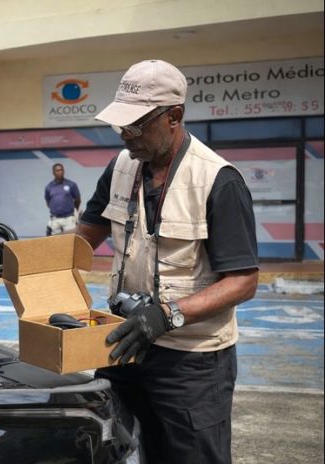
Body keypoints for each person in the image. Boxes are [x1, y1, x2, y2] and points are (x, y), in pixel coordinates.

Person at [75, 59, 259, 464]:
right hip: (125, 345)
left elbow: (243, 281)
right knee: (110, 448)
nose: (126, 136)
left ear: (174, 116)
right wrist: (12, 254)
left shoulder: (218, 180)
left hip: (192, 361)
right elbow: (81, 241)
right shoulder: (121, 167)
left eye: (136, 125)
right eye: (120, 126)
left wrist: (167, 314)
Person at [44, 163, 81, 235]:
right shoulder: (49, 187)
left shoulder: (71, 184)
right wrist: (56, 209)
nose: (60, 172)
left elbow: (78, 199)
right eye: (57, 170)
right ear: (53, 172)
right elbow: (48, 202)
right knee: (54, 239)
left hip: (69, 218)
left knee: (70, 239)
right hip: (55, 219)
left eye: (61, 170)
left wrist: (73, 210)